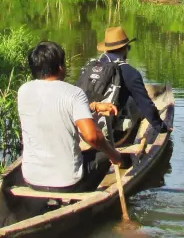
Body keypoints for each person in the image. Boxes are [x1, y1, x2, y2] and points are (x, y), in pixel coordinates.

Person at [17, 41, 133, 193]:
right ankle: (82, 194)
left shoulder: (24, 91)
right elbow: (92, 137)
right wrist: (114, 155)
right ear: (60, 67)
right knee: (104, 154)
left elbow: (54, 106)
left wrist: (94, 106)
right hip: (67, 182)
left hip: (31, 179)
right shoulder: (74, 93)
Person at [80, 27, 169, 138]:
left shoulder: (91, 65)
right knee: (135, 100)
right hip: (106, 126)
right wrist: (162, 128)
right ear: (124, 49)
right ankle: (125, 134)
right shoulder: (130, 72)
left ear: (106, 49)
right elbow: (146, 106)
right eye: (129, 48)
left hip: (81, 123)